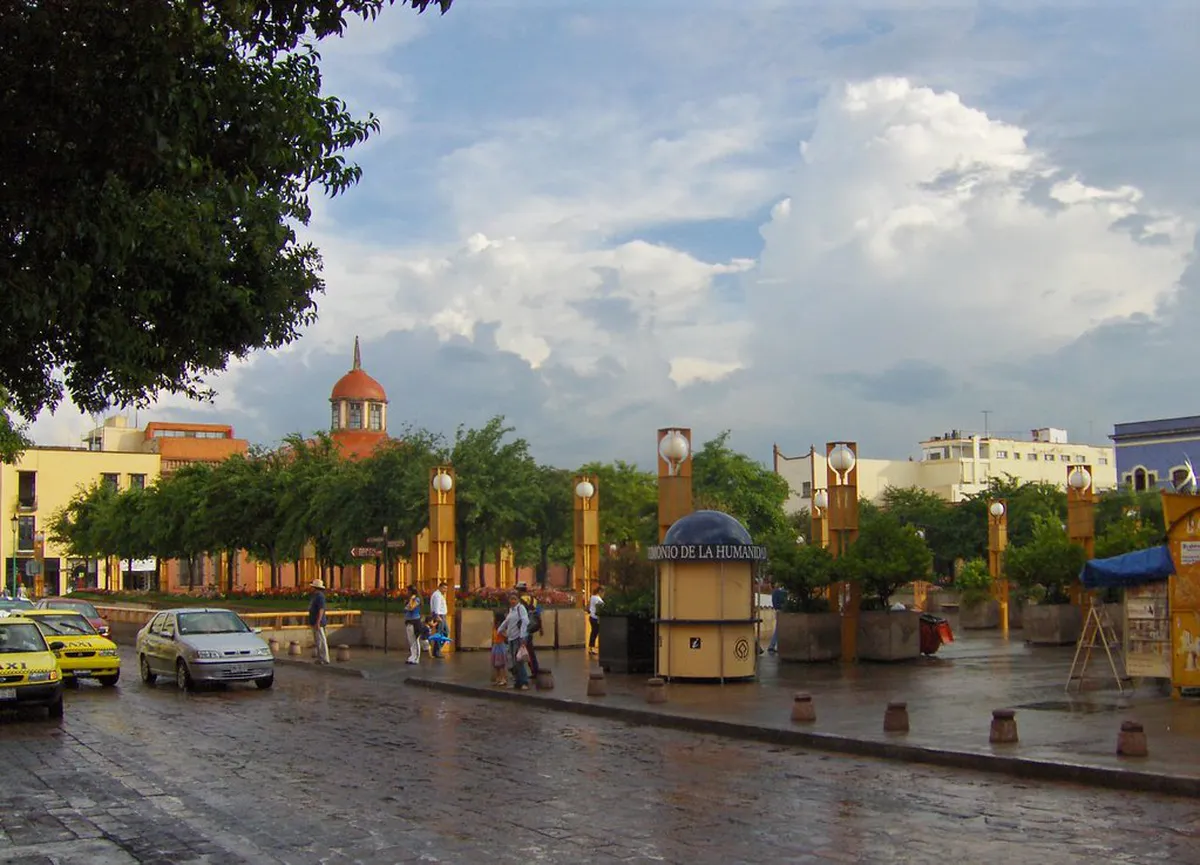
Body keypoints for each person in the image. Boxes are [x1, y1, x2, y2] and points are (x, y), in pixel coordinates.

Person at [498, 592, 530, 690]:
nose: (512, 601)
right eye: (511, 599)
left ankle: (524, 682)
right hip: (510, 638)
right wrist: (500, 629)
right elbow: (507, 621)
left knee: (519, 661)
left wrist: (522, 636)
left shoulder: (521, 609)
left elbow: (525, 621)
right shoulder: (511, 610)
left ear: (518, 600)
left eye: (514, 599)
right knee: (512, 662)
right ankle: (517, 682)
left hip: (518, 638)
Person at [517, 583, 541, 677]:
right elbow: (539, 612)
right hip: (532, 626)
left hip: (524, 627)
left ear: (519, 590)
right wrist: (541, 626)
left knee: (523, 649)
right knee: (530, 649)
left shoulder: (521, 600)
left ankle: (526, 671)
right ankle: (534, 669)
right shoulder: (533, 599)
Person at [308, 579, 330, 665]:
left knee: (321, 640)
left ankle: (324, 658)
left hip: (318, 622)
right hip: (314, 621)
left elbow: (321, 609)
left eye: (312, 587)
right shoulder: (315, 596)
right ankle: (320, 658)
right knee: (318, 640)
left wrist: (318, 621)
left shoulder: (320, 596)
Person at [429, 581, 449, 658]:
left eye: (446, 588)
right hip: (439, 615)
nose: (445, 590)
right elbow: (436, 607)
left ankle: (437, 650)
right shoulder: (437, 595)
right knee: (440, 633)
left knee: (445, 632)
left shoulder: (440, 595)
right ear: (440, 587)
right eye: (444, 588)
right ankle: (437, 651)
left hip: (442, 615)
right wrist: (437, 616)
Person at [404, 585, 423, 665]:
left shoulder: (417, 599)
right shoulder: (408, 600)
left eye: (408, 591)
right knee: (411, 640)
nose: (406, 592)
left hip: (415, 621)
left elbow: (411, 607)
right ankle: (412, 656)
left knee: (415, 640)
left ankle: (416, 657)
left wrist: (412, 599)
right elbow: (406, 608)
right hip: (408, 621)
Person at [767, 582, 788, 654]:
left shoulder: (775, 592)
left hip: (778, 611)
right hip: (781, 611)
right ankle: (772, 646)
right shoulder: (780, 592)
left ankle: (773, 645)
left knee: (779, 629)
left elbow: (775, 603)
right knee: (779, 629)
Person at [490, 610, 509, 687]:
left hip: (500, 646)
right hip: (495, 646)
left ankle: (503, 678)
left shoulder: (501, 628)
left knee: (501, 664)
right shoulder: (494, 627)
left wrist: (503, 634)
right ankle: (498, 678)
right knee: (496, 664)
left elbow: (506, 636)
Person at [587, 585, 605, 655]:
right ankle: (593, 648)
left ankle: (591, 648)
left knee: (593, 633)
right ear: (600, 591)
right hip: (596, 618)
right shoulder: (598, 599)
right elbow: (601, 608)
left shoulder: (592, 597)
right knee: (595, 633)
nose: (603, 595)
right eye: (603, 593)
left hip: (592, 617)